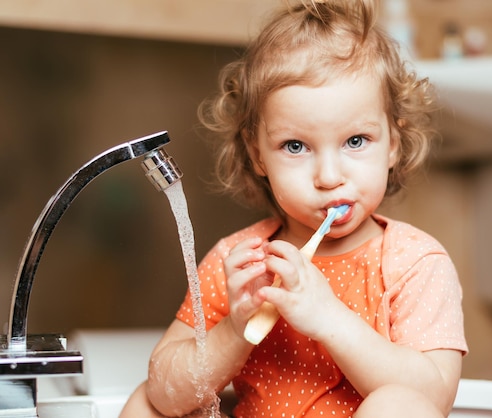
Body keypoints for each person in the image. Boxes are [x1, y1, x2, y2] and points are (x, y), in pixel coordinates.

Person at [121, 0, 467, 416]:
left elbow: (432, 398)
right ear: (258, 155)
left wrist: (329, 318)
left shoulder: (414, 263)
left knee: (401, 404)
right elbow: (165, 391)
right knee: (147, 401)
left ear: (393, 143)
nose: (328, 176)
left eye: (355, 141)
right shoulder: (242, 262)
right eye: (296, 146)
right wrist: (235, 328)